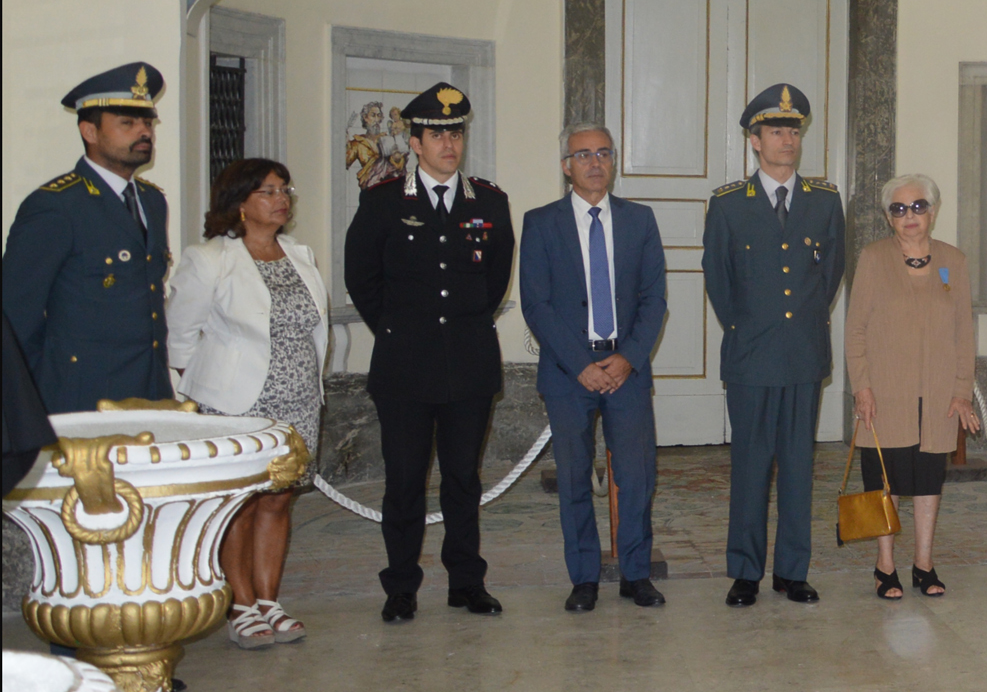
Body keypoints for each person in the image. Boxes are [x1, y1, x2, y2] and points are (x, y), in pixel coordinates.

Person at [342, 80, 516, 623]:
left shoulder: (489, 201)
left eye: (456, 134)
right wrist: (398, 331)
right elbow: (361, 277)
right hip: (405, 368)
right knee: (404, 482)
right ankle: (401, 586)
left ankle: (466, 582)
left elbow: (493, 281)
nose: (449, 144)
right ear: (414, 143)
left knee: (463, 479)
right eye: (437, 135)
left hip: (468, 364)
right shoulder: (383, 201)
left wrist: (461, 325)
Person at [166, 158, 329, 648]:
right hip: (236, 404)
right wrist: (196, 399)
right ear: (239, 203)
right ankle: (240, 606)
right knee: (240, 505)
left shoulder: (299, 254)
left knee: (278, 500)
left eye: (285, 190)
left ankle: (268, 601)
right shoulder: (210, 258)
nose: (281, 200)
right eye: (268, 192)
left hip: (298, 400)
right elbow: (180, 337)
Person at [704, 85, 846, 607]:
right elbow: (719, 283)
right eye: (776, 131)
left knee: (798, 468)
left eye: (794, 131)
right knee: (750, 468)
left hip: (803, 356)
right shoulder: (727, 205)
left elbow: (830, 276)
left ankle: (792, 570)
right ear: (755, 140)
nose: (788, 140)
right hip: (750, 357)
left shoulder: (824, 202)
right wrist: (751, 328)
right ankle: (745, 571)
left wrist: (797, 327)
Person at [520, 125, 668, 613]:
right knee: (574, 477)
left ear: (614, 160)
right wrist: (581, 365)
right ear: (566, 166)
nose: (595, 162)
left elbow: (654, 299)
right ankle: (583, 578)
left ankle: (636, 573)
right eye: (583, 155)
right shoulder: (541, 223)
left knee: (636, 477)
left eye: (603, 153)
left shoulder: (639, 220)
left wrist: (629, 357)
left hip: (626, 369)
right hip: (569, 373)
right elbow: (536, 304)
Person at [3, 63, 176, 413]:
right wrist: (28, 405)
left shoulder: (152, 200)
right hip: (81, 395)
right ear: (90, 132)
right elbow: (15, 315)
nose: (144, 132)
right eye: (127, 123)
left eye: (148, 123)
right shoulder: (56, 205)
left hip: (151, 390)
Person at [846, 173, 979, 598]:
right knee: (884, 479)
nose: (910, 215)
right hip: (885, 393)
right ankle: (884, 565)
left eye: (918, 206)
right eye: (899, 209)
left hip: (938, 394)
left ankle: (924, 564)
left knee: (927, 480)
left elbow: (964, 332)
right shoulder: (873, 258)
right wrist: (862, 387)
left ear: (932, 212)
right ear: (888, 217)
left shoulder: (953, 261)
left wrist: (962, 390)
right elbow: (855, 330)